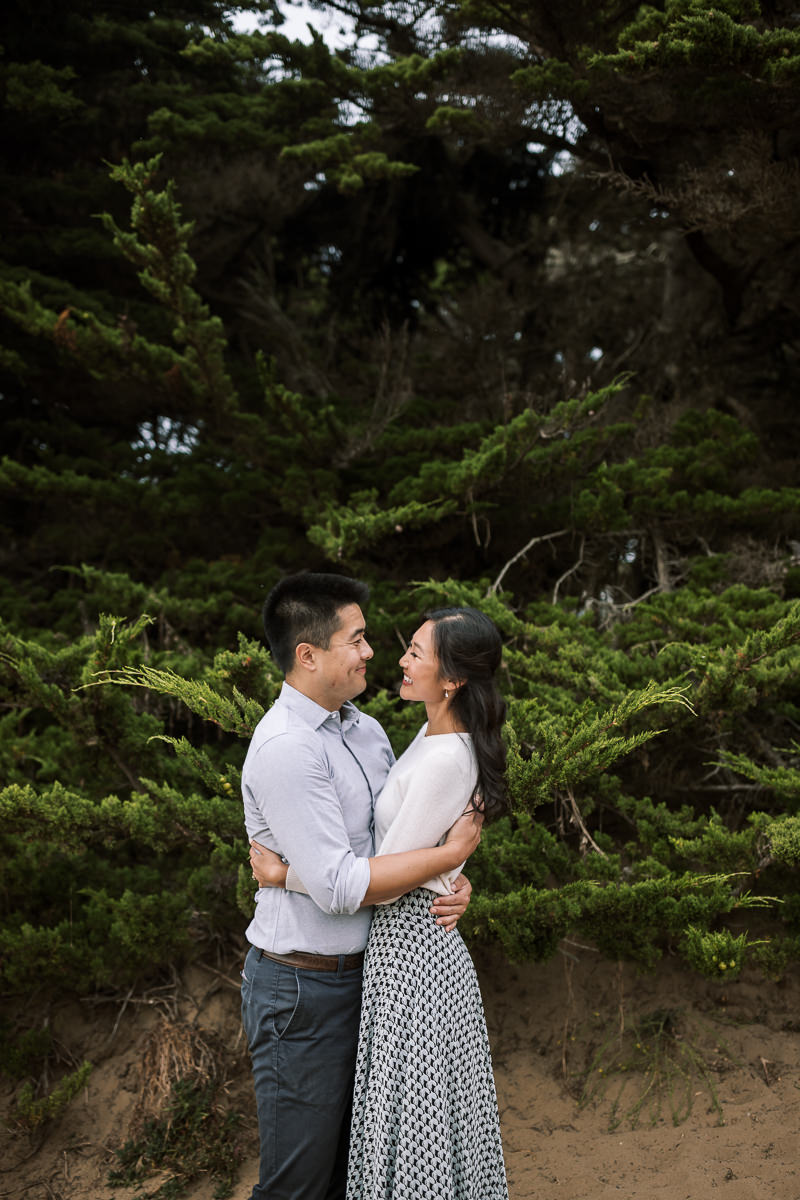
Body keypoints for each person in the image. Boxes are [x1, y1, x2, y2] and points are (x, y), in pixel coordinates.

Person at [253, 604, 510, 1200]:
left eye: (415, 652)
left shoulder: (445, 753)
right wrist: (448, 868)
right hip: (391, 952)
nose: (393, 657)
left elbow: (384, 877)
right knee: (404, 1126)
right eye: (367, 640)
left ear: (453, 680)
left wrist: (283, 874)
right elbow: (401, 850)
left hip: (412, 956)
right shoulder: (423, 733)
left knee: (414, 1128)